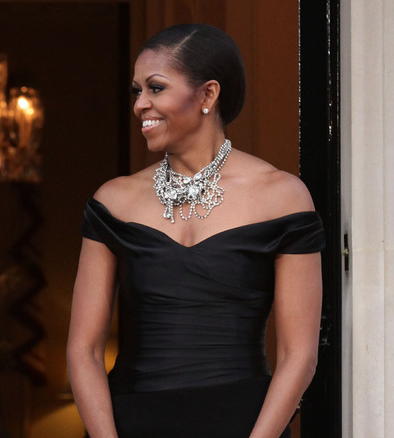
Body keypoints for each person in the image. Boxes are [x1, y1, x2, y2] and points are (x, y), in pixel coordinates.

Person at [66, 23, 324, 438]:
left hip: (244, 423)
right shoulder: (114, 201)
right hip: (130, 423)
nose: (140, 105)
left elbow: (299, 355)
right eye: (137, 91)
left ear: (207, 94)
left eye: (155, 88)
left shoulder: (282, 196)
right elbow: (84, 350)